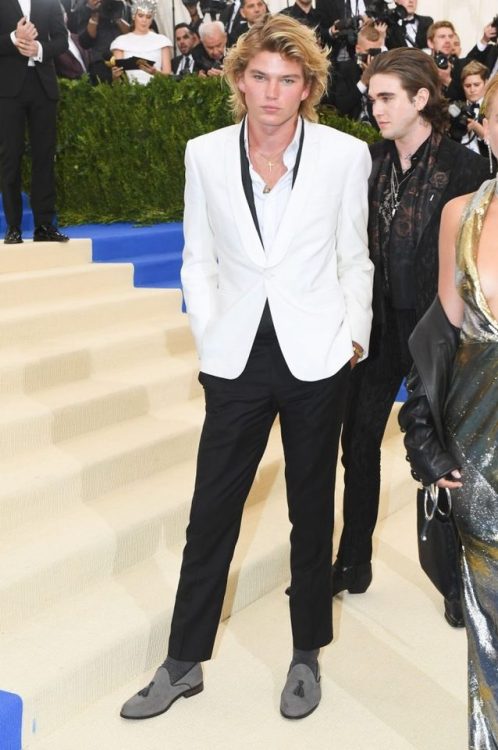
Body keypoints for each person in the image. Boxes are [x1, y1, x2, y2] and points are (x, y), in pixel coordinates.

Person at [120, 14, 373, 722]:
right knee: (212, 512)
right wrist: (208, 330)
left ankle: (306, 651)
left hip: (318, 356)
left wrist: (352, 336)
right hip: (235, 357)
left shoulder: (344, 157)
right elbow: (197, 257)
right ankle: (182, 661)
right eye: (260, 77)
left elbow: (356, 258)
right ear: (238, 80)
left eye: (288, 80)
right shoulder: (203, 154)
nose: (272, 93)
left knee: (310, 507)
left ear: (308, 88)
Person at [332, 47, 490, 629]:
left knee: (444, 459)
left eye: (386, 97)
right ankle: (353, 561)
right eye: (372, 97)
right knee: (359, 443)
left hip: (437, 333)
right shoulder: (365, 162)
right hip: (375, 329)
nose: (374, 108)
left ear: (421, 99)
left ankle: (455, 581)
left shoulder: (463, 167)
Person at [399, 73, 498, 749]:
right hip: (478, 454)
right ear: (484, 125)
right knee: (489, 637)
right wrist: (421, 429)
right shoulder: (462, 214)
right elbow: (441, 333)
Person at [0, 0, 69, 244]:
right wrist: (14, 38)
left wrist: (38, 48)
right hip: (9, 90)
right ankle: (13, 227)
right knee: (11, 156)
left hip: (43, 86)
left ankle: (44, 226)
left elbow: (62, 40)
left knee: (44, 156)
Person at [110, 0, 172, 84]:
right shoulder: (120, 42)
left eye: (148, 17)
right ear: (133, 16)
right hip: (130, 93)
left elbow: (168, 77)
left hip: (158, 92)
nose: (144, 20)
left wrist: (155, 73)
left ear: (152, 18)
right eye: (140, 15)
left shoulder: (162, 41)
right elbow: (119, 80)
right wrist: (115, 77)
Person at [448, 61, 488, 158]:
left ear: (486, 83)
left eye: (476, 85)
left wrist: (479, 130)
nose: (472, 89)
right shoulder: (455, 108)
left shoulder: (493, 108)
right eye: (468, 86)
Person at [426, 20, 464, 102]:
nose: (447, 40)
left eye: (450, 36)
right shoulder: (422, 65)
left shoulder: (462, 66)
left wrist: (447, 80)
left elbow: (464, 97)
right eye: (442, 37)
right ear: (430, 43)